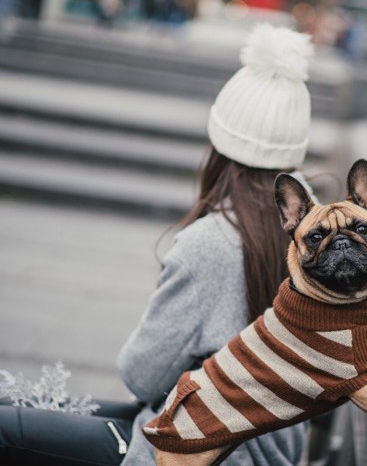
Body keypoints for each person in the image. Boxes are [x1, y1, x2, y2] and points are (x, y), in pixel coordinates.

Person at [0, 23, 315, 465]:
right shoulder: (318, 230)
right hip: (265, 447)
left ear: (218, 140)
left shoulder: (214, 243)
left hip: (204, 452)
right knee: (24, 409)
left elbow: (143, 373)